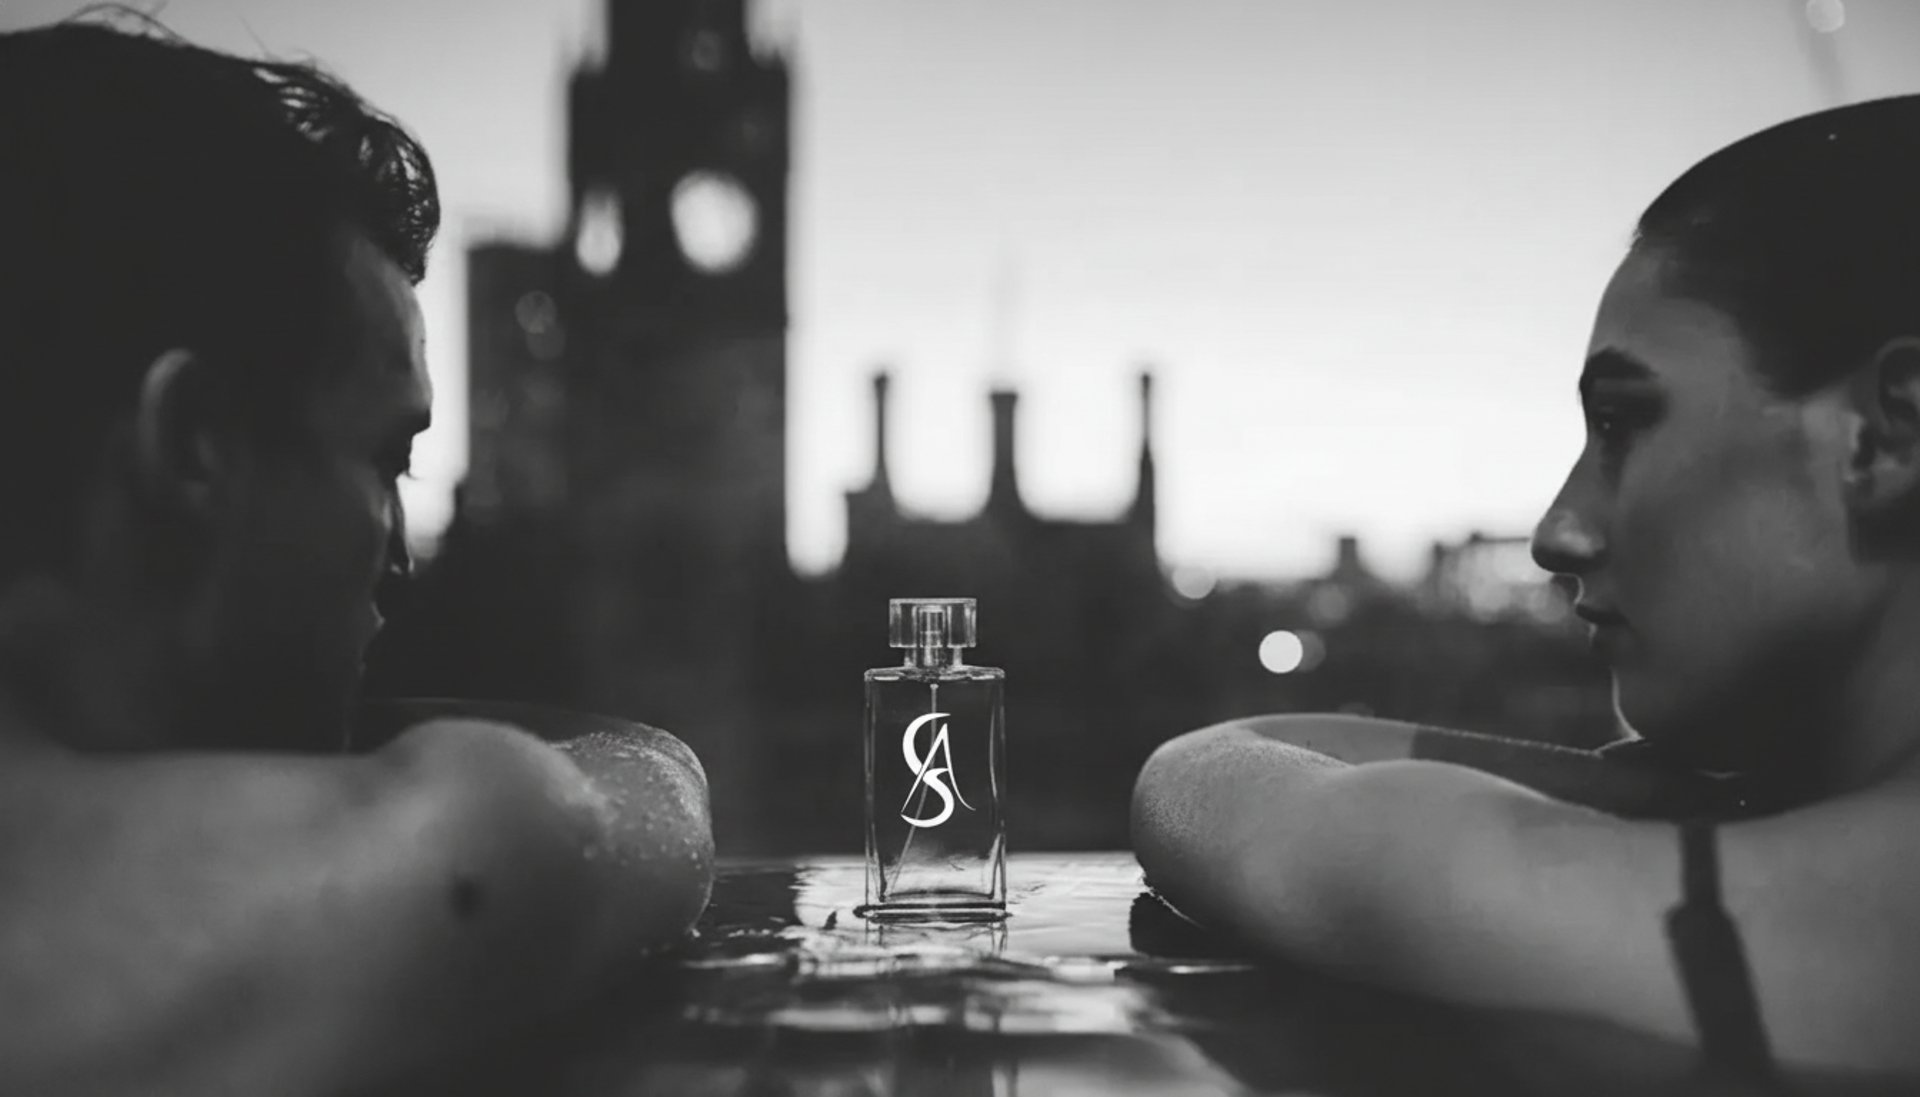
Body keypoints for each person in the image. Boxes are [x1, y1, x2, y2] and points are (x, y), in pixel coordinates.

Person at [1133, 94, 1920, 1086]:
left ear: (1888, 433)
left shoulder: (1755, 914)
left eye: (1624, 422)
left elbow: (1207, 783)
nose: (1558, 530)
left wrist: (1627, 789)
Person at [0, 16, 712, 1096]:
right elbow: (613, 798)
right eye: (386, 458)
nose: (399, 563)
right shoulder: (424, 856)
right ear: (191, 447)